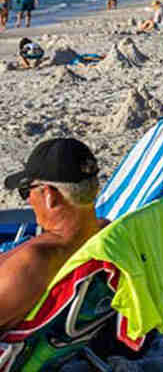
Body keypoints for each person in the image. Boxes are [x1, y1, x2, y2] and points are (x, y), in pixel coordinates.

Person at [0, 139, 104, 332]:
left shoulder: (34, 262)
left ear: (50, 195)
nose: (29, 201)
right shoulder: (104, 234)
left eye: (26, 191)